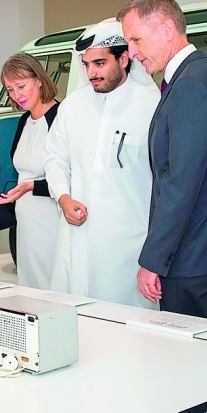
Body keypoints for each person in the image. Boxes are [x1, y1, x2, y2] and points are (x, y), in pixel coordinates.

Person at [118, 0, 207, 320]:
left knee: (184, 362)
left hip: (192, 254)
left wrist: (153, 259)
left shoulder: (189, 85)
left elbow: (181, 182)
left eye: (135, 39)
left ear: (165, 29)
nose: (131, 52)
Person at [43, 19, 160, 307]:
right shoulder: (73, 106)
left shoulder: (151, 104)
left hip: (128, 243)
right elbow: (55, 157)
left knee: (126, 322)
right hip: (78, 237)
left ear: (123, 59)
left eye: (99, 64)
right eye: (86, 65)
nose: (91, 73)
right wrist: (63, 197)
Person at [0, 54, 60, 289]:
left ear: (39, 80)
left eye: (21, 86)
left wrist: (32, 186)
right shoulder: (24, 120)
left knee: (51, 284)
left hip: (51, 219)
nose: (16, 95)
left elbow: (70, 176)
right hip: (26, 223)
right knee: (29, 284)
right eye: (10, 90)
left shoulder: (60, 118)